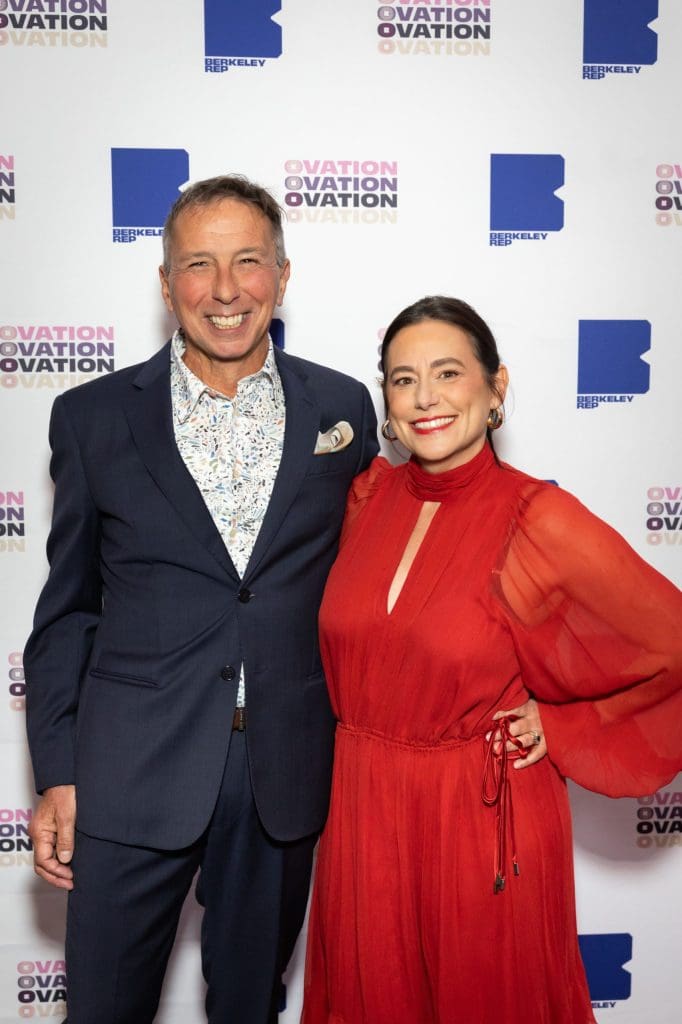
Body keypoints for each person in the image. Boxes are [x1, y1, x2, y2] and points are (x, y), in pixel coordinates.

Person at [23, 174, 378, 1024]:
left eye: (248, 261)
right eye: (198, 264)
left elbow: (378, 578)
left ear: (282, 276)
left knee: (251, 1007)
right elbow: (68, 613)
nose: (225, 290)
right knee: (103, 1008)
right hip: (128, 771)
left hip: (282, 772)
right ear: (165, 282)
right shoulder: (92, 417)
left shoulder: (342, 407)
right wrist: (59, 774)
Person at [302, 295, 682, 1023]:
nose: (426, 398)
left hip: (479, 821)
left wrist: (563, 725)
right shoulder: (366, 498)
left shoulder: (536, 518)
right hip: (364, 813)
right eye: (404, 379)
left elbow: (669, 643)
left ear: (495, 385)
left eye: (448, 373)